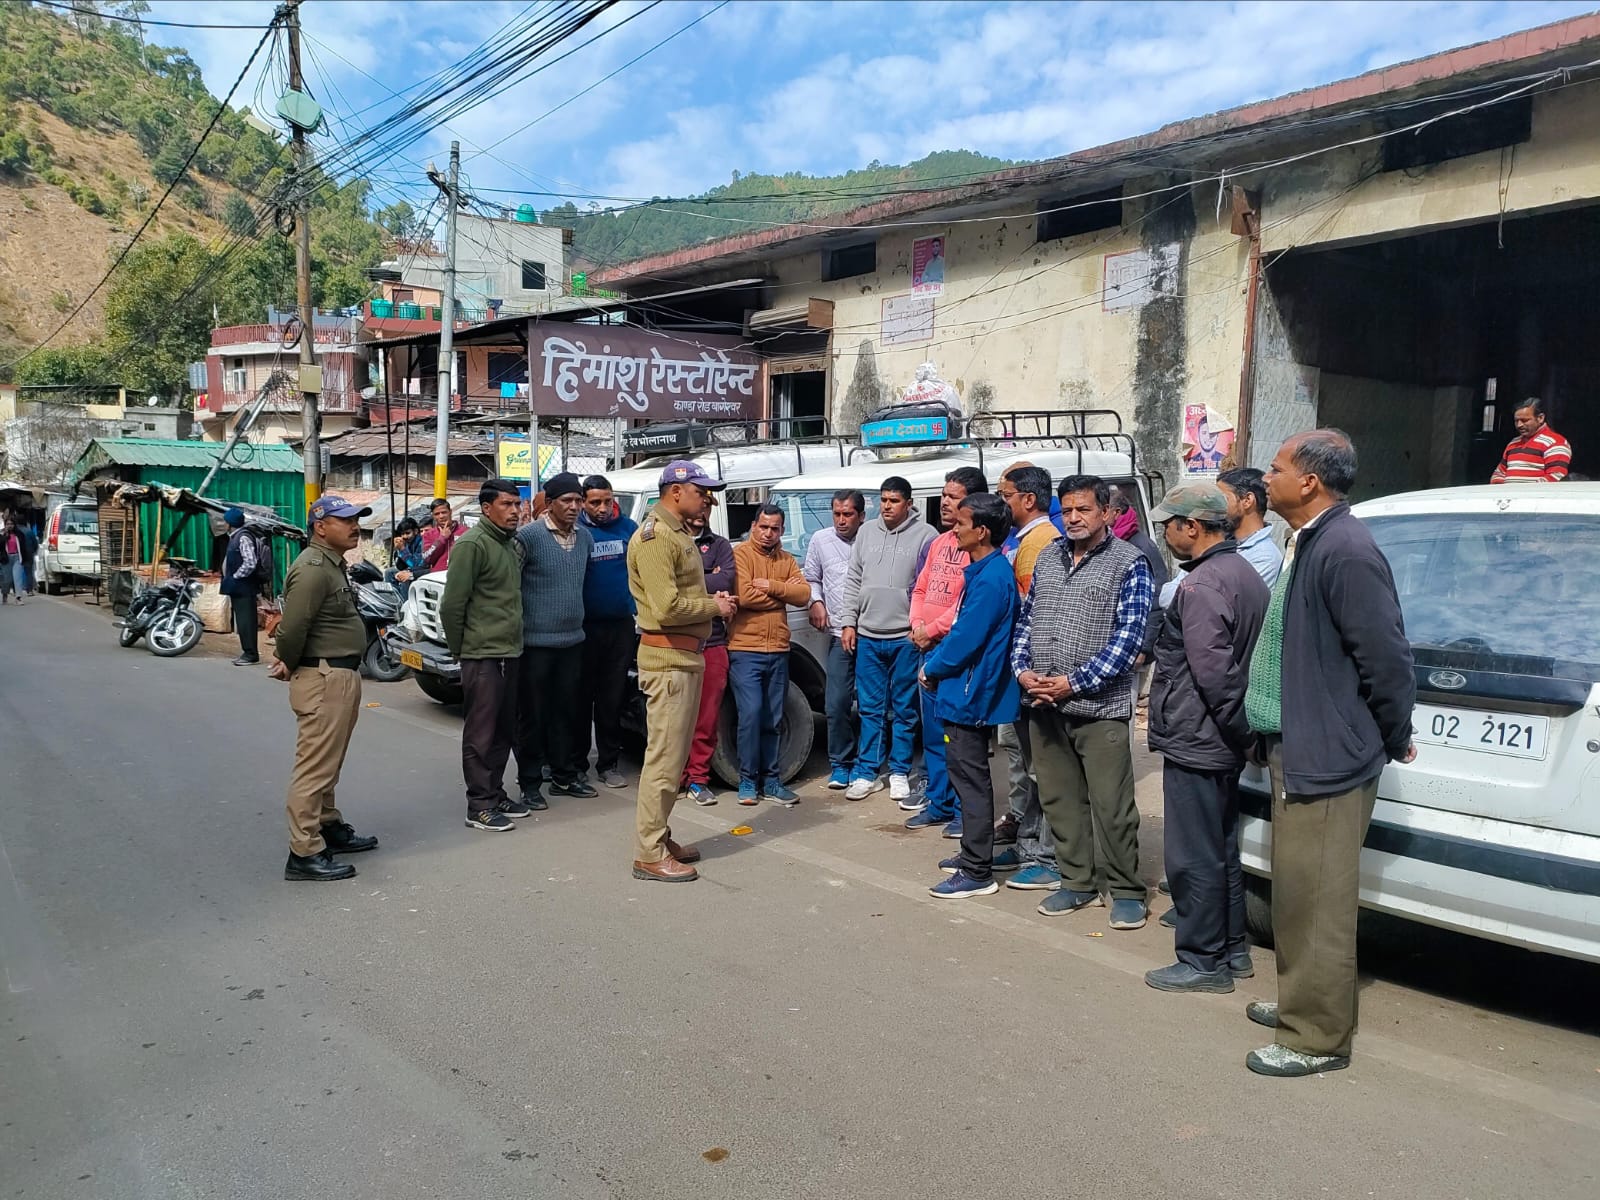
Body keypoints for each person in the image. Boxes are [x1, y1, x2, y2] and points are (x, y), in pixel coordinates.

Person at [1243, 430, 1415, 1078]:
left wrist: (1393, 735)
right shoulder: (1308, 540)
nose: (1267, 478)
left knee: (1317, 899)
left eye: (1277, 468)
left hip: (1328, 752)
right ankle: (1303, 998)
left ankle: (1315, 1036)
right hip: (1300, 744)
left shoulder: (1345, 550)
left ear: (1309, 482)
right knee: (1295, 891)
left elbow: (1387, 660)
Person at [1141, 484, 1268, 994]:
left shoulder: (1202, 585)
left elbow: (1215, 675)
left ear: (1191, 527)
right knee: (1220, 849)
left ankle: (1202, 960)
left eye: (1168, 525)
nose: (1165, 535)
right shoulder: (1243, 573)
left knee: (1192, 856)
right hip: (1218, 736)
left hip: (1200, 736)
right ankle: (1232, 949)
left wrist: (1241, 732)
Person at [1012, 474, 1153, 930]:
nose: (1073, 518)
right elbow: (1026, 621)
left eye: (1084, 509)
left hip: (1099, 708)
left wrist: (1073, 683)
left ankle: (1127, 891)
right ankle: (1077, 882)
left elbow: (1128, 640)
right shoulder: (1049, 557)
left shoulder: (1129, 563)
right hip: (1043, 703)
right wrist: (1023, 670)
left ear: (1106, 512)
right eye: (1068, 510)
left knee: (1112, 806)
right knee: (1059, 800)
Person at [627, 461, 738, 882]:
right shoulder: (657, 537)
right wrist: (715, 606)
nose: (707, 499)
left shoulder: (677, 533)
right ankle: (649, 852)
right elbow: (667, 608)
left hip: (685, 657)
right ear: (676, 491)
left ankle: (659, 836)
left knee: (673, 761)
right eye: (700, 491)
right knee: (664, 760)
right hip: (668, 660)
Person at [269, 495, 380, 881]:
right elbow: (292, 629)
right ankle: (304, 851)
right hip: (324, 677)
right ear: (320, 527)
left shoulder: (332, 565)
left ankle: (327, 824)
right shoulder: (313, 569)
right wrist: (288, 660)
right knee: (314, 768)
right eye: (345, 520)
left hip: (339, 674)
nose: (355, 527)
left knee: (329, 762)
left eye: (356, 519)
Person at [921, 493, 1019, 899]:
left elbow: (966, 638)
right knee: (966, 778)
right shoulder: (984, 571)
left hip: (969, 692)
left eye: (962, 523)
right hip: (963, 689)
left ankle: (978, 871)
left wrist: (932, 667)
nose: (954, 528)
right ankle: (972, 855)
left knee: (971, 781)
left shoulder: (993, 577)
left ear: (981, 531)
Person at [840, 476, 936, 803]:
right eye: (883, 500)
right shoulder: (866, 532)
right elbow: (853, 580)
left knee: (905, 709)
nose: (887, 506)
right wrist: (848, 622)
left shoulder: (926, 535)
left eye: (894, 501)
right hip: (868, 635)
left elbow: (927, 586)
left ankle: (898, 771)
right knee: (870, 709)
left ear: (908, 503)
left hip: (905, 638)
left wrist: (919, 625)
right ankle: (867, 772)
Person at [439, 480, 526, 833]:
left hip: (510, 651)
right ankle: (479, 805)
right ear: (487, 508)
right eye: (507, 504)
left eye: (517, 504)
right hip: (483, 654)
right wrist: (463, 650)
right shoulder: (472, 545)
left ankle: (495, 792)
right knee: (481, 733)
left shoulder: (508, 544)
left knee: (504, 730)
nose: (515, 511)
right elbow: (452, 605)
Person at [905, 466, 988, 835]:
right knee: (933, 735)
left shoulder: (977, 548)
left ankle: (960, 812)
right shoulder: (938, 543)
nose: (944, 502)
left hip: (954, 654)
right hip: (927, 649)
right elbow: (921, 587)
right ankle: (938, 803)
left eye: (953, 497)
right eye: (943, 494)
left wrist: (932, 630)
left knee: (958, 740)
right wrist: (916, 625)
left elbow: (963, 606)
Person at [994, 464, 1061, 886]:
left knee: (1042, 769)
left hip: (1034, 674)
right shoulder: (1023, 541)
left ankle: (1048, 855)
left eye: (1006, 496)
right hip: (1021, 672)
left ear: (1028, 499)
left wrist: (1028, 672)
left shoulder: (1041, 544)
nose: (1002, 503)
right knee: (1023, 762)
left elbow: (1033, 616)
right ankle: (1028, 843)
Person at [514, 472, 596, 805]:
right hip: (535, 645)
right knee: (533, 717)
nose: (574, 506)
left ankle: (564, 776)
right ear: (549, 504)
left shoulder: (585, 538)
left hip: (572, 642)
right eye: (567, 500)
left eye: (578, 500)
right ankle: (530, 784)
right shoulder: (528, 537)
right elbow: (511, 585)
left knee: (567, 713)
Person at [728, 504, 811, 806]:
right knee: (750, 715)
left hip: (778, 649)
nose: (768, 533)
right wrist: (783, 595)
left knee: (773, 718)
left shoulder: (786, 559)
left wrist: (771, 586)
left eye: (774, 528)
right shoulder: (740, 555)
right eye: (763, 527)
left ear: (782, 531)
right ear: (753, 526)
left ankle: (772, 782)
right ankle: (748, 781)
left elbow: (804, 595)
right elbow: (745, 595)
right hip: (745, 649)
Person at [574, 475, 639, 790]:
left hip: (620, 626)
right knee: (580, 698)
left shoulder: (629, 529)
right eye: (595, 502)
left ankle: (608, 764)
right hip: (583, 629)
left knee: (612, 698)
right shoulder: (576, 532)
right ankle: (576, 764)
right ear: (583, 503)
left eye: (607, 501)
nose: (602, 508)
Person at [803, 489, 866, 789]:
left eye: (847, 514)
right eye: (837, 514)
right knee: (836, 702)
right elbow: (811, 577)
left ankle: (868, 764)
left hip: (872, 633)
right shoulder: (820, 540)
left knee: (873, 704)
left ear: (861, 516)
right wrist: (815, 602)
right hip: (839, 634)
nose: (841, 520)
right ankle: (841, 763)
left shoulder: (872, 539)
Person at [1159, 467, 1282, 606]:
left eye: (1222, 499)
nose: (1216, 506)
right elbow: (1166, 595)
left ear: (1247, 500)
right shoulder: (1218, 542)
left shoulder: (1264, 557)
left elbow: (1207, 603)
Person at [679, 506, 735, 806]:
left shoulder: (720, 545)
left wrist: (693, 582)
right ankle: (675, 777)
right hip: (678, 643)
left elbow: (725, 580)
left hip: (713, 643)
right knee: (676, 718)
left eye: (707, 506)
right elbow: (671, 586)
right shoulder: (672, 542)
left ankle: (698, 780)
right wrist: (706, 580)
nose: (702, 511)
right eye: (698, 504)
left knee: (707, 717)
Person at [220, 507, 270, 666]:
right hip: (239, 587)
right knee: (243, 621)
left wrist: (236, 576)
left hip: (244, 587)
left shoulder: (243, 537)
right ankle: (248, 652)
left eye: (225, 521)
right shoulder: (235, 537)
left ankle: (250, 654)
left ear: (230, 523)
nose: (223, 524)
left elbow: (250, 562)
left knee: (246, 621)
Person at [1491, 397, 1571, 483]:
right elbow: (1499, 473)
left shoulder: (1555, 443)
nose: (1519, 425)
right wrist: (1501, 487)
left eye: (1524, 420)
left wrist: (1526, 490)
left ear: (1540, 418)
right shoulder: (1513, 443)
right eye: (1516, 421)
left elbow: (1556, 476)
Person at [421, 497, 468, 570]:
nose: (441, 516)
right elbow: (427, 559)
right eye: (437, 514)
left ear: (450, 512)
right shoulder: (429, 535)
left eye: (444, 512)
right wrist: (442, 539)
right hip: (438, 575)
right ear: (433, 516)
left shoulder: (465, 532)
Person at [385, 518, 426, 599]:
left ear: (415, 531)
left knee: (405, 578)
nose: (404, 537)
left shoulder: (421, 543)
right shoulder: (407, 542)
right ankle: (393, 598)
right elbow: (400, 566)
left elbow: (415, 564)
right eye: (402, 534)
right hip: (410, 569)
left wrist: (403, 550)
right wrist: (399, 550)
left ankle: (405, 603)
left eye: (408, 533)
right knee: (389, 572)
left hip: (420, 570)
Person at [2, 518, 25, 605]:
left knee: (17, 578)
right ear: (5, 525)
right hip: (6, 559)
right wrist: (5, 535)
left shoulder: (19, 534)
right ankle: (5, 594)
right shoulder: (2, 534)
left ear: (14, 525)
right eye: (8, 524)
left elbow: (23, 547)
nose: (10, 526)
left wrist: (24, 559)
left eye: (11, 524)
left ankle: (18, 597)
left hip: (17, 558)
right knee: (7, 580)